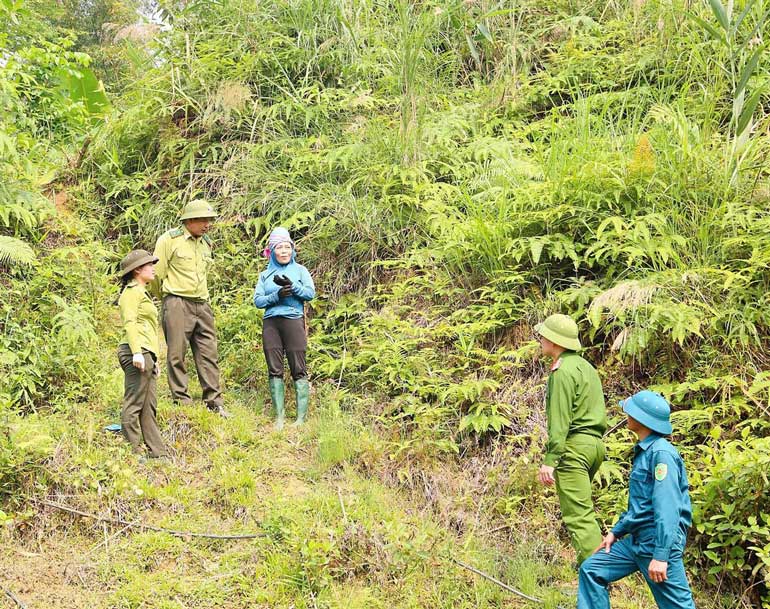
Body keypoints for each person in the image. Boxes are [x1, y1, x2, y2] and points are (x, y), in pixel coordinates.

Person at [578, 391, 695, 609]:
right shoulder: (645, 452)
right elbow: (641, 507)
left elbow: (667, 508)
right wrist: (615, 532)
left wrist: (661, 556)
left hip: (657, 543)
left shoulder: (662, 455)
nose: (626, 414)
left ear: (643, 419)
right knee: (592, 569)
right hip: (637, 540)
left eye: (631, 412)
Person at [535, 313, 608, 565]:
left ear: (555, 342)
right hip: (594, 446)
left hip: (573, 448)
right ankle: (588, 568)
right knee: (584, 511)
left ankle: (597, 575)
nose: (540, 339)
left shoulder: (562, 372)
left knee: (578, 515)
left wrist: (550, 459)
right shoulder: (586, 367)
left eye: (544, 335)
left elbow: (560, 420)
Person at [151, 199, 229, 417]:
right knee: (177, 353)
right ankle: (182, 400)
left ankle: (214, 402)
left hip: (202, 304)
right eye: (203, 220)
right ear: (190, 220)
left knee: (208, 353)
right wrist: (168, 298)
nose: (207, 225)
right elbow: (157, 275)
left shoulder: (206, 243)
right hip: (177, 302)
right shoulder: (169, 240)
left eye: (210, 220)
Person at [253, 227, 315, 430]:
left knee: (298, 367)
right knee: (274, 368)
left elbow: (310, 293)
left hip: (293, 320)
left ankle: (300, 419)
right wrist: (276, 296)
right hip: (271, 323)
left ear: (293, 249)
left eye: (287, 247)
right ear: (272, 251)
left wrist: (293, 288)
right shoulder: (265, 274)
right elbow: (258, 301)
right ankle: (279, 417)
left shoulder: (300, 271)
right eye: (279, 247)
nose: (284, 251)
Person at [117, 249, 167, 460]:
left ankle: (158, 453)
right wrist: (137, 353)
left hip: (146, 354)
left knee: (149, 406)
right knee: (134, 403)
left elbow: (147, 328)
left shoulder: (141, 292)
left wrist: (153, 359)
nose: (153, 268)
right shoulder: (131, 293)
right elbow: (130, 323)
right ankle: (134, 452)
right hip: (134, 351)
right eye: (150, 265)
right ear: (138, 269)